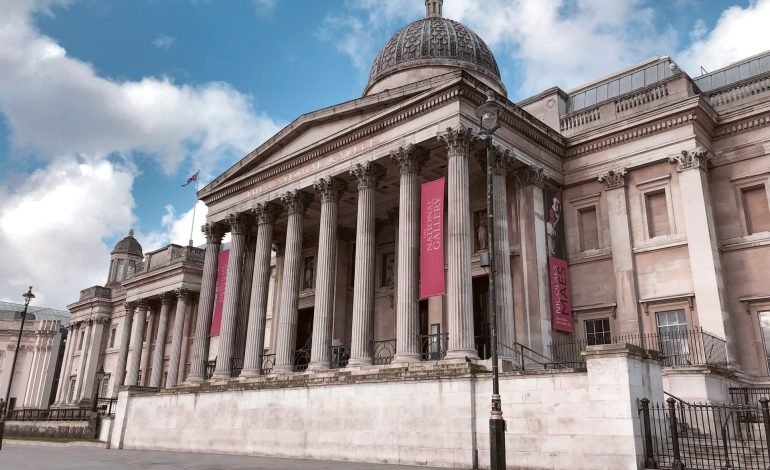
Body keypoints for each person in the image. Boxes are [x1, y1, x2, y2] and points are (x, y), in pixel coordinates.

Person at [546, 193, 562, 258]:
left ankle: (552, 252)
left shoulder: (556, 212)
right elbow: (552, 221)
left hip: (553, 228)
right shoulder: (552, 210)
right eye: (556, 205)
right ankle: (551, 252)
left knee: (553, 240)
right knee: (550, 239)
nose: (557, 206)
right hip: (550, 226)